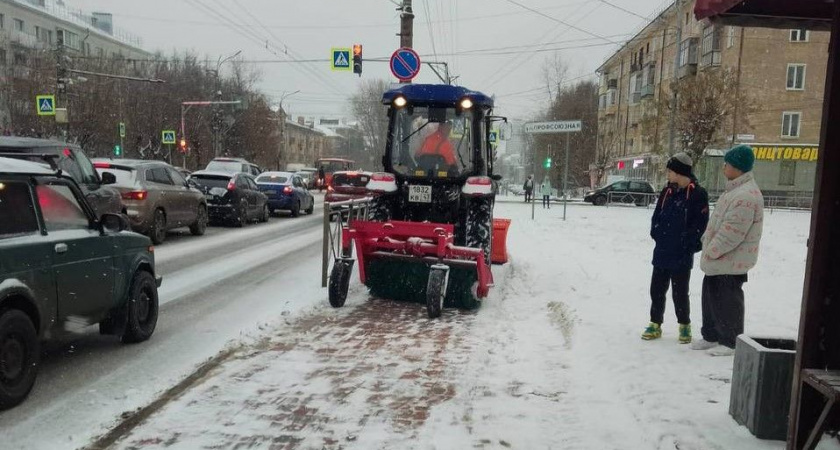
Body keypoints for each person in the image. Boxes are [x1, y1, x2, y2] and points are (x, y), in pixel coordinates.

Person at [691, 144, 764, 356]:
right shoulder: (734, 190)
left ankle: (730, 341)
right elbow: (718, 223)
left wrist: (712, 249)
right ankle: (711, 335)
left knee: (727, 300)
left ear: (738, 167)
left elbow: (732, 232)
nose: (724, 167)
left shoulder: (745, 196)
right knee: (711, 298)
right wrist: (707, 241)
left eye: (727, 164)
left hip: (731, 260)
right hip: (720, 259)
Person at [641, 153, 709, 344]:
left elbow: (701, 224)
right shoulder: (667, 192)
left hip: (681, 253)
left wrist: (688, 243)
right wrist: (656, 232)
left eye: (670, 171)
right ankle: (655, 323)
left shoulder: (697, 194)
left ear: (679, 172)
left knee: (680, 292)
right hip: (662, 250)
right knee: (656, 290)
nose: (668, 175)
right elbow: (657, 216)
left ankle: (684, 325)